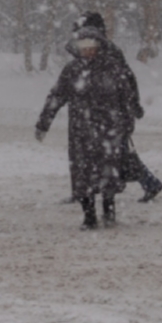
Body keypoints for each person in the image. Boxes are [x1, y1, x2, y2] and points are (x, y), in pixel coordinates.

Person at [36, 16, 144, 229]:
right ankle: (89, 216)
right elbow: (56, 96)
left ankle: (109, 211)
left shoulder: (113, 68)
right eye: (83, 46)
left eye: (91, 46)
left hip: (109, 130)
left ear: (99, 45)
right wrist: (43, 123)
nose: (88, 50)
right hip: (81, 133)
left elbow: (126, 95)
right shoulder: (72, 71)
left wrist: (128, 121)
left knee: (108, 174)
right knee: (83, 175)